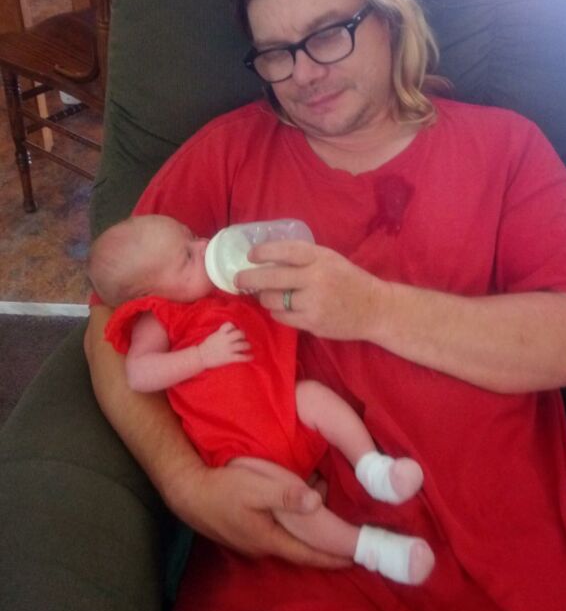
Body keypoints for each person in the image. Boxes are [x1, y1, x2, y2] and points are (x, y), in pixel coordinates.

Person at [84, 0, 566, 611]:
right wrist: (187, 485)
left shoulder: (504, 147)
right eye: (276, 52)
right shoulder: (228, 154)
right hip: (300, 564)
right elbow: (107, 323)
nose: (304, 73)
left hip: (518, 567)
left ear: (387, 13)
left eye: (327, 34)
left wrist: (372, 308)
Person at [88, 213, 433, 586]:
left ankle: (373, 468)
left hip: (284, 407)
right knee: (289, 501)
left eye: (194, 237)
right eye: (187, 257)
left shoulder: (222, 284)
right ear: (148, 295)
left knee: (315, 398)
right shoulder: (158, 316)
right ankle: (369, 548)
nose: (203, 247)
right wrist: (201, 356)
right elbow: (139, 374)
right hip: (241, 450)